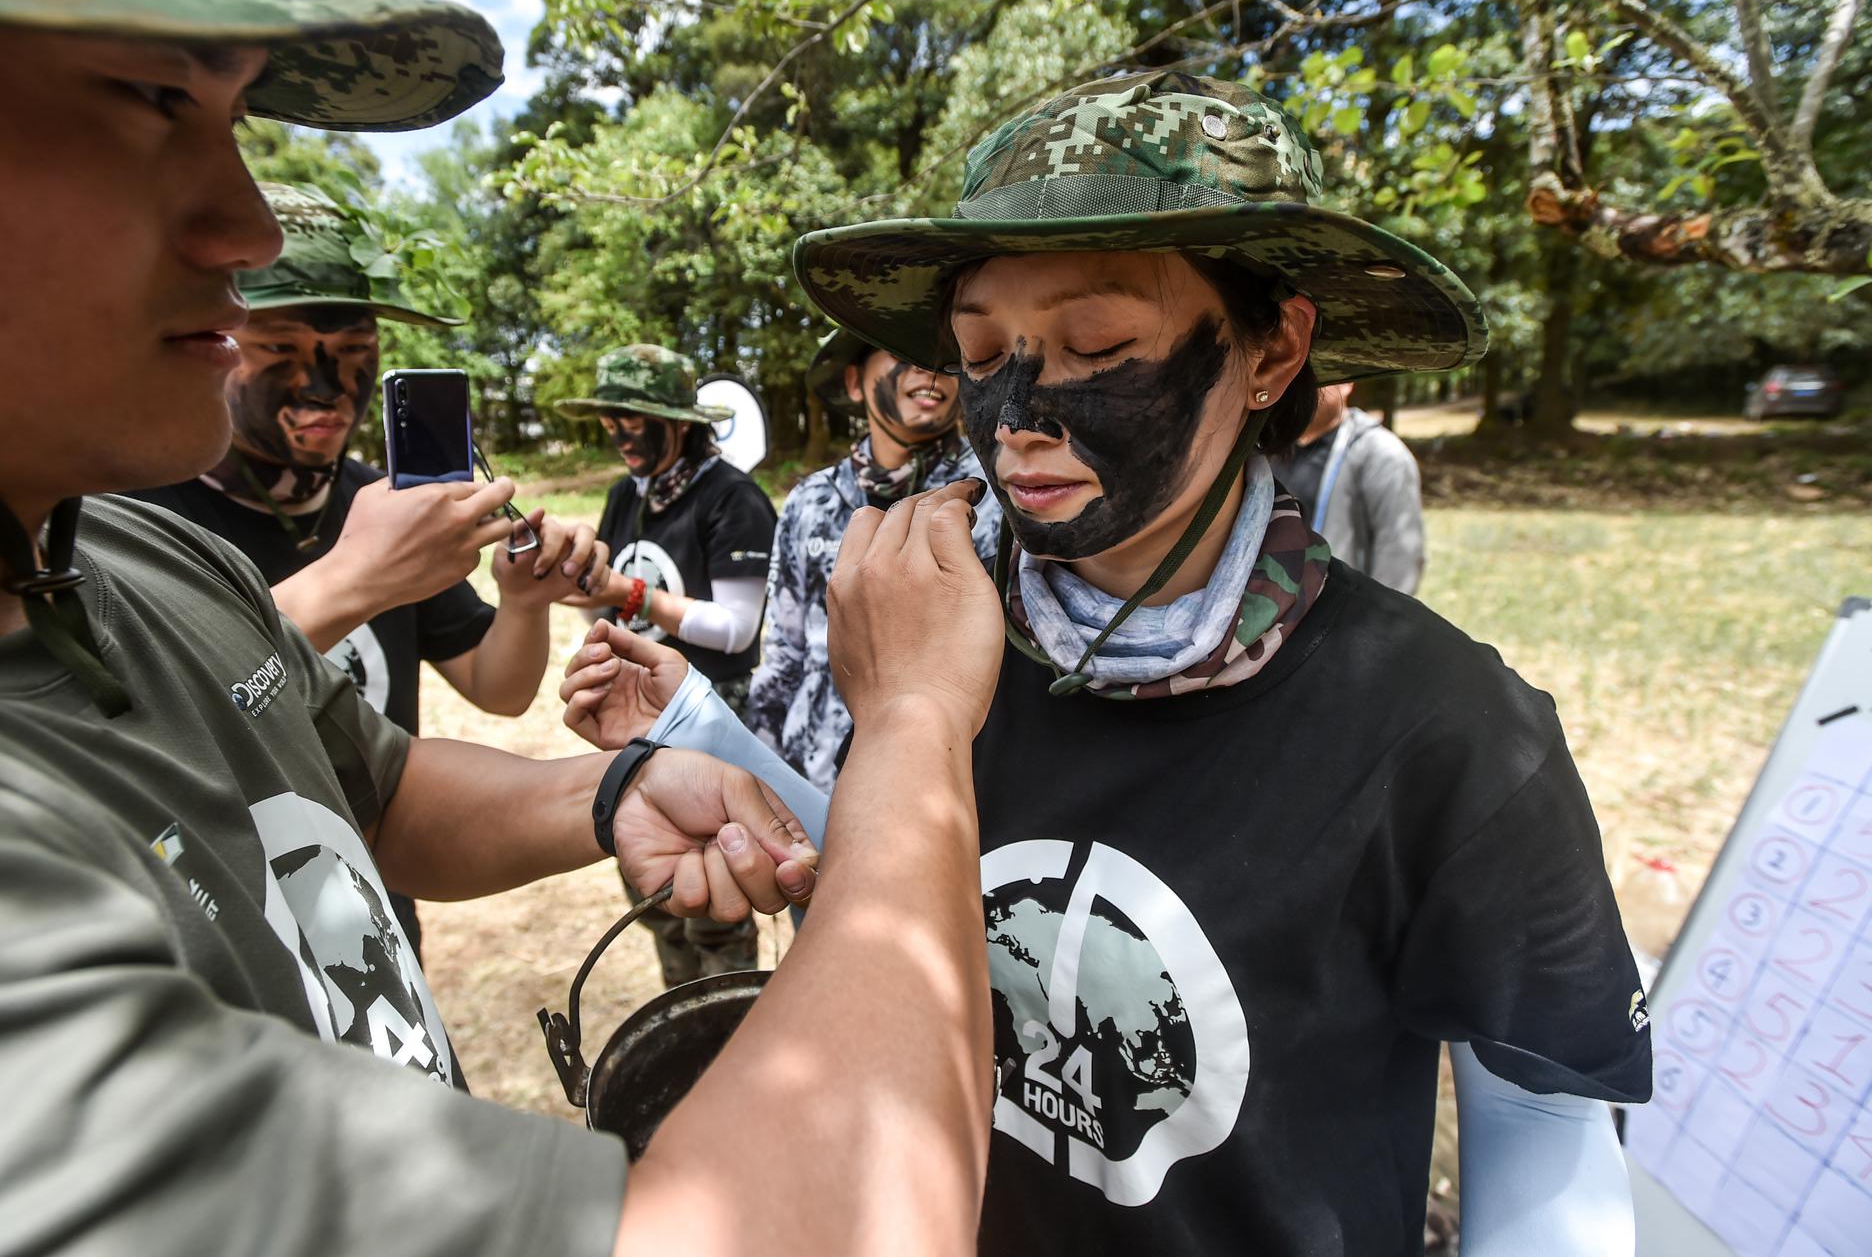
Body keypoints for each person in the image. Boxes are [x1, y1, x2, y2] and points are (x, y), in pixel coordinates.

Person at [0, 0, 1004, 1253]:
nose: (247, 225)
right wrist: (915, 718)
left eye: (237, 124)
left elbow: (364, 785)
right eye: (144, 98)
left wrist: (612, 785)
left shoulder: (124, 550)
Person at [561, 69, 1652, 1256]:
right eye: (980, 352)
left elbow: (1543, 1115)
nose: (1018, 410)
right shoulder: (943, 633)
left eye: (1095, 343)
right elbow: (905, 873)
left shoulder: (1448, 734)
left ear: (1270, 352)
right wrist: (698, 733)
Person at [127, 181, 610, 958]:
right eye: (278, 350)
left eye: (354, 354)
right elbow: (141, 726)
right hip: (226, 936)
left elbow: (498, 687)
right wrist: (356, 577)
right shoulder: (135, 514)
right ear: (213, 339)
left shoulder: (377, 502)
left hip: (373, 922)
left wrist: (521, 601)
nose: (325, 387)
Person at [557, 343, 779, 986]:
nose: (619, 434)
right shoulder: (631, 494)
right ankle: (679, 1013)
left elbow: (737, 630)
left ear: (679, 423)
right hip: (639, 721)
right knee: (653, 889)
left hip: (710, 717)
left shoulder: (732, 498)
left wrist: (627, 593)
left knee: (714, 893)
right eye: (609, 419)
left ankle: (730, 1031)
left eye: (633, 419)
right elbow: (608, 603)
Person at [748, 328, 1001, 789]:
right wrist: (761, 770)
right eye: (904, 349)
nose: (929, 368)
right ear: (853, 382)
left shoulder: (999, 496)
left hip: (945, 784)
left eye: (945, 357)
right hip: (812, 778)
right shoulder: (810, 501)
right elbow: (785, 653)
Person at [1278, 380, 1426, 594]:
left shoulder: (1381, 454)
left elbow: (1399, 554)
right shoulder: (1268, 448)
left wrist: (1377, 620)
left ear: (1346, 383)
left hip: (1339, 613)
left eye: (1317, 376)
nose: (1301, 385)